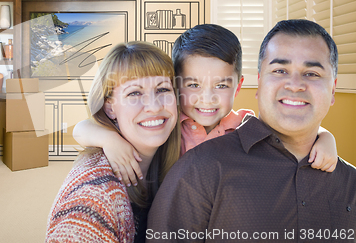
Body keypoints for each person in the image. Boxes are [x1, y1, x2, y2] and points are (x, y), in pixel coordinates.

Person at [146, 19, 356, 242]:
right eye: (280, 70)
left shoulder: (243, 125)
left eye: (312, 73)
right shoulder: (173, 137)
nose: (295, 85)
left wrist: (325, 135)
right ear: (259, 84)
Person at [73, 24, 338, 187]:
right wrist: (110, 140)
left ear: (238, 85)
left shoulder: (246, 124)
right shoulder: (166, 124)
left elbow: (289, 133)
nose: (207, 99)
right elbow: (82, 128)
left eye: (221, 86)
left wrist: (326, 137)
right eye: (193, 85)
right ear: (175, 85)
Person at [46, 42, 181, 243]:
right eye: (134, 93)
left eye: (162, 89)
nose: (153, 106)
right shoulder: (93, 198)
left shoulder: (178, 154)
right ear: (110, 107)